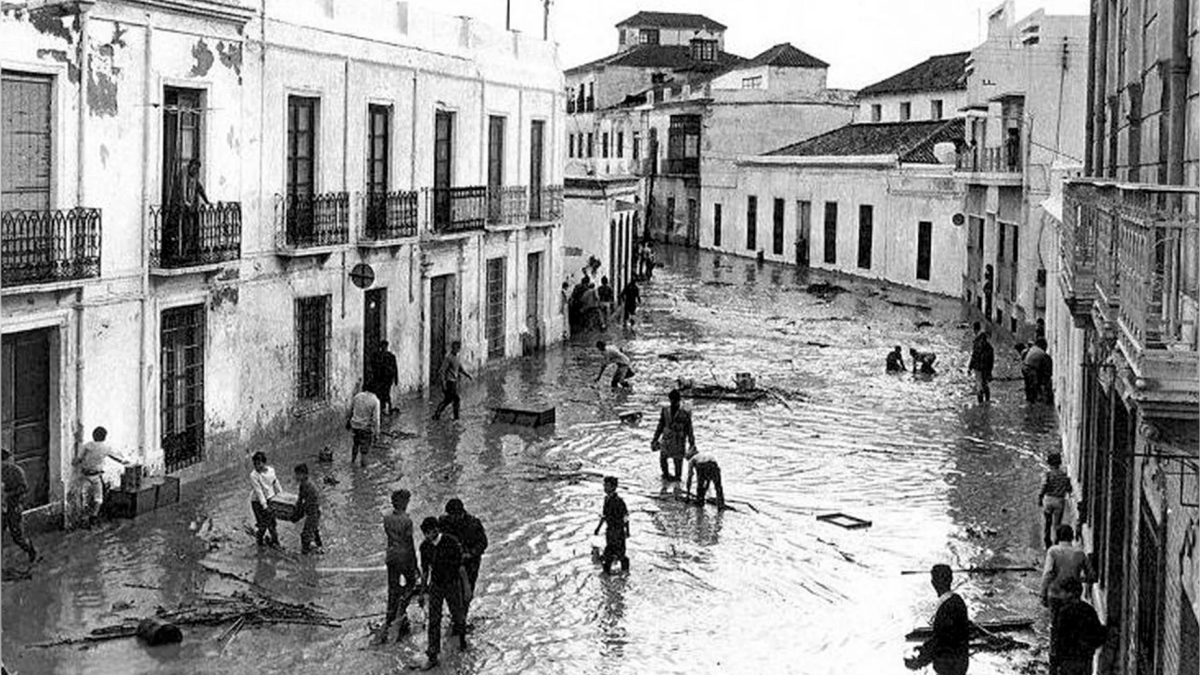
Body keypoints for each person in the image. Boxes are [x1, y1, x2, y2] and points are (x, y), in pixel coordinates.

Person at [419, 516, 468, 669]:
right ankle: (432, 655)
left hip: (452, 583)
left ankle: (462, 642)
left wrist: (467, 588)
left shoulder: (451, 542)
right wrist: (422, 591)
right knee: (434, 620)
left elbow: (461, 567)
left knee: (457, 614)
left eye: (430, 532)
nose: (428, 536)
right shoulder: (424, 547)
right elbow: (425, 571)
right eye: (425, 533)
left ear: (436, 530)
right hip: (436, 585)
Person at [905, 564, 970, 675]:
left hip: (950, 667)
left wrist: (919, 661)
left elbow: (941, 640)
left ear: (933, 582)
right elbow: (946, 636)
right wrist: (925, 648)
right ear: (951, 579)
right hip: (959, 662)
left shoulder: (947, 605)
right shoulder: (957, 600)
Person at [381, 489, 419, 643]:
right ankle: (401, 610)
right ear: (403, 502)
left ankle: (390, 614)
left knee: (393, 586)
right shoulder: (407, 521)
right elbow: (409, 544)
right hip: (404, 556)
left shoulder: (387, 518)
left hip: (391, 555)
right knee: (411, 582)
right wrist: (415, 565)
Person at [439, 498, 488, 615]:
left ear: (461, 514)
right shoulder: (443, 522)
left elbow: (483, 543)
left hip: (471, 562)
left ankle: (462, 616)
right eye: (449, 515)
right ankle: (456, 615)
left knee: (467, 590)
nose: (451, 518)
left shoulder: (473, 523)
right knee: (452, 590)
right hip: (452, 562)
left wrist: (470, 553)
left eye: (453, 515)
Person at [73, 426, 130, 527]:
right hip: (96, 475)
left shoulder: (87, 446)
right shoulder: (106, 448)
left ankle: (82, 517)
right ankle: (94, 516)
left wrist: (76, 462)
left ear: (93, 435)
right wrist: (124, 461)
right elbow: (116, 457)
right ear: (104, 437)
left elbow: (78, 459)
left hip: (85, 474)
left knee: (83, 496)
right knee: (99, 498)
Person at [1050, 577, 1107, 675]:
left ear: (1071, 594)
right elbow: (1098, 635)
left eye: (1063, 592)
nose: (1061, 595)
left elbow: (1059, 639)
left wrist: (1054, 663)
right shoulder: (1089, 610)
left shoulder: (1064, 612)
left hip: (1068, 660)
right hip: (1084, 659)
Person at [1042, 525, 1094, 625]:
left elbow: (1048, 574)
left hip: (1055, 595)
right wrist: (1078, 578)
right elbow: (1091, 576)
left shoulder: (1053, 551)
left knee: (1055, 624)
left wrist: (1043, 594)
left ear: (1058, 537)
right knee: (1071, 625)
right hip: (1072, 596)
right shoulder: (1080, 553)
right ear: (1072, 537)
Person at [167, 158, 210, 265]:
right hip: (179, 209)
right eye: (194, 168)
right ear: (190, 166)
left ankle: (186, 254)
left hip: (189, 210)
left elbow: (199, 188)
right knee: (180, 232)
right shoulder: (182, 176)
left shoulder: (193, 177)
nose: (195, 171)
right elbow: (180, 193)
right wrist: (186, 203)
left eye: (197, 169)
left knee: (189, 232)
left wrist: (206, 201)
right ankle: (178, 254)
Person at [0, 448, 37, 564]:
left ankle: (30, 549)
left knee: (17, 536)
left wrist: (7, 495)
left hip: (13, 506)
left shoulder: (15, 471)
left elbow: (24, 488)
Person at [652, 389, 696, 481]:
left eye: (675, 401)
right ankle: (666, 475)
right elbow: (660, 425)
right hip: (667, 439)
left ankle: (677, 480)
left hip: (679, 440)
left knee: (678, 462)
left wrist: (692, 443)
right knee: (663, 458)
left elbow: (689, 429)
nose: (673, 402)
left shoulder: (685, 412)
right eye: (672, 400)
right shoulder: (665, 410)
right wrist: (655, 439)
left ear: (679, 400)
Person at [593, 476, 630, 574]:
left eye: (607, 486)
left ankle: (624, 573)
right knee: (609, 555)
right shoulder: (606, 499)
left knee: (620, 554)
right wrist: (598, 528)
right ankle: (608, 578)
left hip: (618, 531)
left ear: (614, 487)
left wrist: (627, 530)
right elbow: (604, 516)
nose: (605, 488)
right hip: (610, 531)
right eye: (604, 485)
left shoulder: (619, 501)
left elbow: (625, 517)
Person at [1039, 453, 1073, 549]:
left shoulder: (1048, 475)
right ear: (1060, 463)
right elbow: (1069, 489)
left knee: (1047, 523)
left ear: (1049, 464)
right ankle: (1056, 543)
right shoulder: (1064, 475)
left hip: (1049, 500)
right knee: (1057, 524)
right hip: (1059, 501)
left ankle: (1047, 542)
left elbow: (1044, 486)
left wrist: (1040, 498)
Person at [249, 452, 282, 548]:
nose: (256, 466)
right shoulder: (253, 475)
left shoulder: (271, 471)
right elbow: (259, 491)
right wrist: (264, 506)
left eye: (259, 464)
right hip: (257, 502)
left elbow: (276, 483)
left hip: (270, 499)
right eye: (255, 464)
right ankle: (259, 542)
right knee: (263, 524)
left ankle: (275, 541)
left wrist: (281, 496)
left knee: (272, 523)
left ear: (264, 463)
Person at [433, 341, 472, 421]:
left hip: (454, 382)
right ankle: (455, 417)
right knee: (455, 399)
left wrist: (467, 375)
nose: (457, 350)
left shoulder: (456, 358)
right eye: (456, 348)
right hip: (449, 382)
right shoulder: (448, 358)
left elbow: (460, 369)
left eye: (458, 348)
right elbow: (442, 371)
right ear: (453, 348)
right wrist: (443, 383)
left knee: (449, 400)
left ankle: (438, 414)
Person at [291, 464, 323, 554]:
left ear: (305, 474)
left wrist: (296, 516)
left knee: (305, 535)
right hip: (313, 512)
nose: (296, 476)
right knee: (314, 530)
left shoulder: (306, 485)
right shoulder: (305, 484)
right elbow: (300, 501)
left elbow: (302, 504)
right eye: (296, 474)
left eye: (298, 474)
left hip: (313, 513)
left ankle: (305, 557)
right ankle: (320, 548)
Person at [346, 385, 380, 467]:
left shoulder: (357, 397)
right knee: (364, 451)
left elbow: (350, 410)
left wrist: (348, 422)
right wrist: (377, 433)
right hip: (365, 428)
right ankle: (363, 471)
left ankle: (352, 462)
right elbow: (376, 419)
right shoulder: (375, 400)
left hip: (355, 426)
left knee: (355, 444)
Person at [968, 323, 995, 403]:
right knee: (985, 384)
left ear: (974, 330)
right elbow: (991, 360)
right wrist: (990, 371)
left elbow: (974, 356)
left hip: (978, 367)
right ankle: (987, 402)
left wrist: (970, 367)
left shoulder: (977, 343)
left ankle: (981, 405)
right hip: (986, 368)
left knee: (979, 386)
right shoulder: (989, 346)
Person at [370, 341, 399, 415]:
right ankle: (386, 408)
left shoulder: (379, 356)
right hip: (384, 379)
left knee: (383, 393)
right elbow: (395, 368)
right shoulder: (388, 356)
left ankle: (385, 408)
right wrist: (395, 379)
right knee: (385, 393)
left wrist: (395, 379)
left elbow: (395, 368)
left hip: (384, 379)